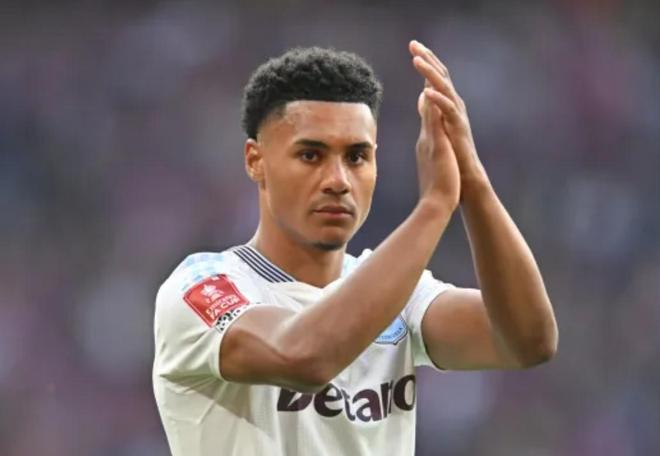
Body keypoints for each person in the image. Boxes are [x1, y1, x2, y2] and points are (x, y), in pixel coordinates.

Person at [152, 41, 558, 456]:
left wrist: (472, 179)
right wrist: (435, 205)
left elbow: (528, 341)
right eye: (311, 155)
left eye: (357, 157)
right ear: (256, 160)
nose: (338, 180)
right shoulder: (202, 288)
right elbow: (304, 357)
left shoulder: (399, 293)